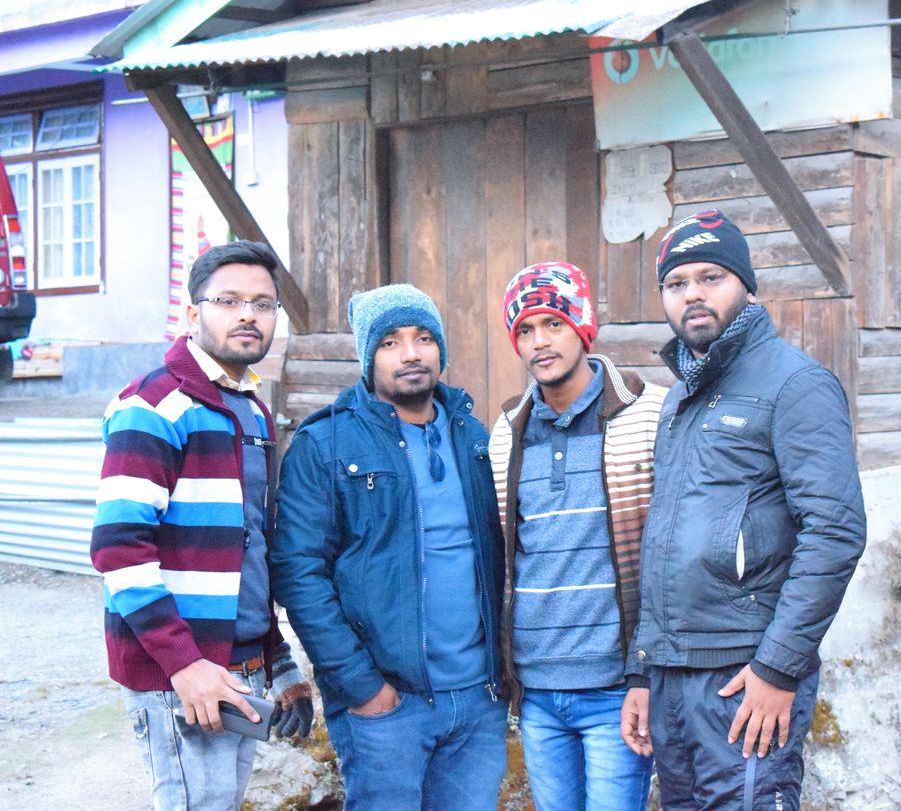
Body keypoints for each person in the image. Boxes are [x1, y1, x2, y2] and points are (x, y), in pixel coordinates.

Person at [620, 211, 867, 809]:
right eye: (677, 284)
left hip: (744, 676)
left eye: (712, 277)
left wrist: (779, 668)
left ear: (746, 285)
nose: (693, 294)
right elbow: (665, 540)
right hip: (673, 678)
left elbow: (834, 532)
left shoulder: (796, 384)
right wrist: (641, 671)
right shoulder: (681, 395)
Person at [90, 240, 313, 811]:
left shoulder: (252, 410)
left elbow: (252, 547)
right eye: (229, 300)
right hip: (181, 671)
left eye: (263, 305)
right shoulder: (156, 404)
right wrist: (185, 667)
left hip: (241, 664)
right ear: (193, 314)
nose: (247, 315)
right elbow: (118, 548)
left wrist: (279, 658)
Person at [270, 283, 507, 810]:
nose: (411, 354)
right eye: (390, 342)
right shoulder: (324, 444)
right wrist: (360, 687)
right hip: (387, 704)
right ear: (367, 356)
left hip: (478, 696)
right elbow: (298, 572)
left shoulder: (474, 436)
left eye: (423, 337)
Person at [489, 261, 666, 810]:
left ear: (583, 326)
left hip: (617, 687)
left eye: (554, 324)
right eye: (525, 330)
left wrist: (645, 675)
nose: (539, 342)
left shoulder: (651, 414)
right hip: (538, 693)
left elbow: (667, 558)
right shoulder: (506, 433)